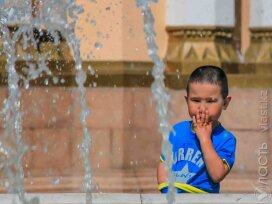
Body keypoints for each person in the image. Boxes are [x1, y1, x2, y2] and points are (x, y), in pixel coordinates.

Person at [157, 65, 236, 193]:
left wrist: (205, 139)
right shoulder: (178, 131)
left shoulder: (226, 139)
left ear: (225, 103)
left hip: (203, 198)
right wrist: (164, 187)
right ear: (187, 100)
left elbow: (217, 175)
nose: (202, 108)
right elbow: (163, 161)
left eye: (210, 101)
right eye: (195, 100)